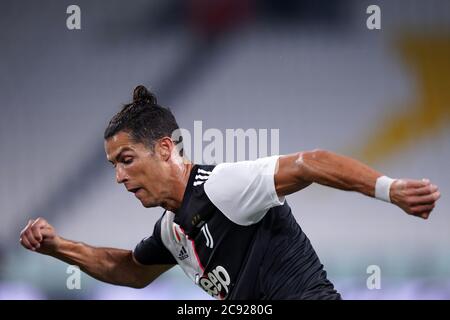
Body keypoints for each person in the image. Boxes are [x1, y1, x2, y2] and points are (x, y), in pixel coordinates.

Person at [20, 85, 441, 300]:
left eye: (126, 159)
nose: (119, 177)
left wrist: (391, 189)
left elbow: (311, 162)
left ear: (165, 148)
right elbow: (130, 270)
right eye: (114, 165)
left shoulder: (222, 187)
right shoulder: (171, 230)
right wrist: (59, 247)